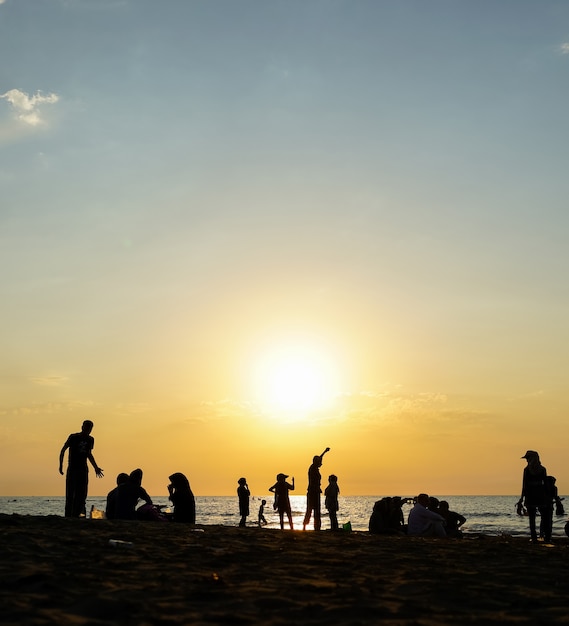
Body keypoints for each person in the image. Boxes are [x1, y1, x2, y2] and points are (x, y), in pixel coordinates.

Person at [58, 420, 104, 517]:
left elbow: (89, 454)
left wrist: (96, 467)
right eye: (87, 427)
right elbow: (63, 450)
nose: (88, 430)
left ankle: (79, 514)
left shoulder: (90, 439)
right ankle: (68, 515)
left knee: (82, 494)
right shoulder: (73, 437)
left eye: (90, 428)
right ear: (82, 427)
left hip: (83, 469)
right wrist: (61, 465)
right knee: (70, 493)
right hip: (73, 468)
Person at [518, 450, 551, 543]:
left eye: (527, 458)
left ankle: (534, 537)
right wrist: (548, 496)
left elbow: (524, 485)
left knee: (532, 518)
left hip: (530, 495)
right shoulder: (542, 469)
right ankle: (546, 537)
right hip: (540, 494)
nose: (527, 460)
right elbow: (546, 484)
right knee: (544, 517)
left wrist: (522, 497)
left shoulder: (527, 470)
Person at [302, 447, 330, 531]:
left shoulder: (314, 468)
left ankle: (317, 527)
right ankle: (305, 526)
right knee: (310, 510)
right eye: (320, 462)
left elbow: (319, 457)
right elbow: (318, 458)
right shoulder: (312, 468)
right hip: (312, 492)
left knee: (316, 511)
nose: (321, 463)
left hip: (316, 491)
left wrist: (324, 452)